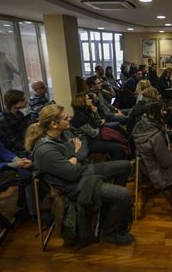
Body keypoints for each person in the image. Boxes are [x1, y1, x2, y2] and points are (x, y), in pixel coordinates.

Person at [25, 104, 134, 245]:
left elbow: (84, 147)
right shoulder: (45, 151)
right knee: (123, 194)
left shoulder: (63, 133)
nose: (69, 119)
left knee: (126, 166)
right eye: (65, 118)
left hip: (84, 171)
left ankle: (110, 206)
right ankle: (111, 233)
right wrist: (76, 155)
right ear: (54, 124)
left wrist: (74, 158)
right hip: (74, 186)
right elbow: (72, 174)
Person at [71, 92, 128, 160]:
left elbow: (98, 122)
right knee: (118, 147)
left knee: (116, 138)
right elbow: (93, 134)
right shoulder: (79, 118)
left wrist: (95, 112)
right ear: (82, 102)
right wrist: (99, 127)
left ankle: (118, 156)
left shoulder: (86, 111)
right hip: (88, 143)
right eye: (88, 99)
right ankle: (119, 166)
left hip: (95, 137)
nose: (91, 100)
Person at [0, 89, 32, 158]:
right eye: (22, 100)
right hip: (11, 152)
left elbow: (26, 132)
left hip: (22, 146)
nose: (26, 101)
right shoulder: (1, 120)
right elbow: (13, 143)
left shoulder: (18, 114)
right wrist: (32, 147)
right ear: (14, 103)